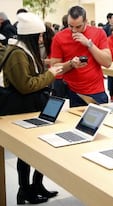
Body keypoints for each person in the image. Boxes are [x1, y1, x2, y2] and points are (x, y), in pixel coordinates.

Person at [1, 12, 62, 204]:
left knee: (34, 152)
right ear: (31, 36)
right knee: (26, 155)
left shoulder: (21, 49)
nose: (42, 39)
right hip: (22, 110)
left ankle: (35, 186)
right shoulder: (18, 54)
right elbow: (25, 85)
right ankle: (24, 190)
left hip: (28, 108)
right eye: (40, 36)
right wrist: (50, 74)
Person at [50, 6, 112, 107]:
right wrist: (71, 64)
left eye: (78, 27)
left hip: (96, 91)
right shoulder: (59, 37)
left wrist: (89, 44)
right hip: (72, 92)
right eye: (70, 26)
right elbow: (54, 68)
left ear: (86, 21)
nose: (74, 30)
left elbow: (107, 63)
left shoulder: (99, 33)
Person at [102, 12, 113, 100]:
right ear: (109, 19)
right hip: (108, 50)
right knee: (110, 76)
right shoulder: (105, 28)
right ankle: (111, 92)